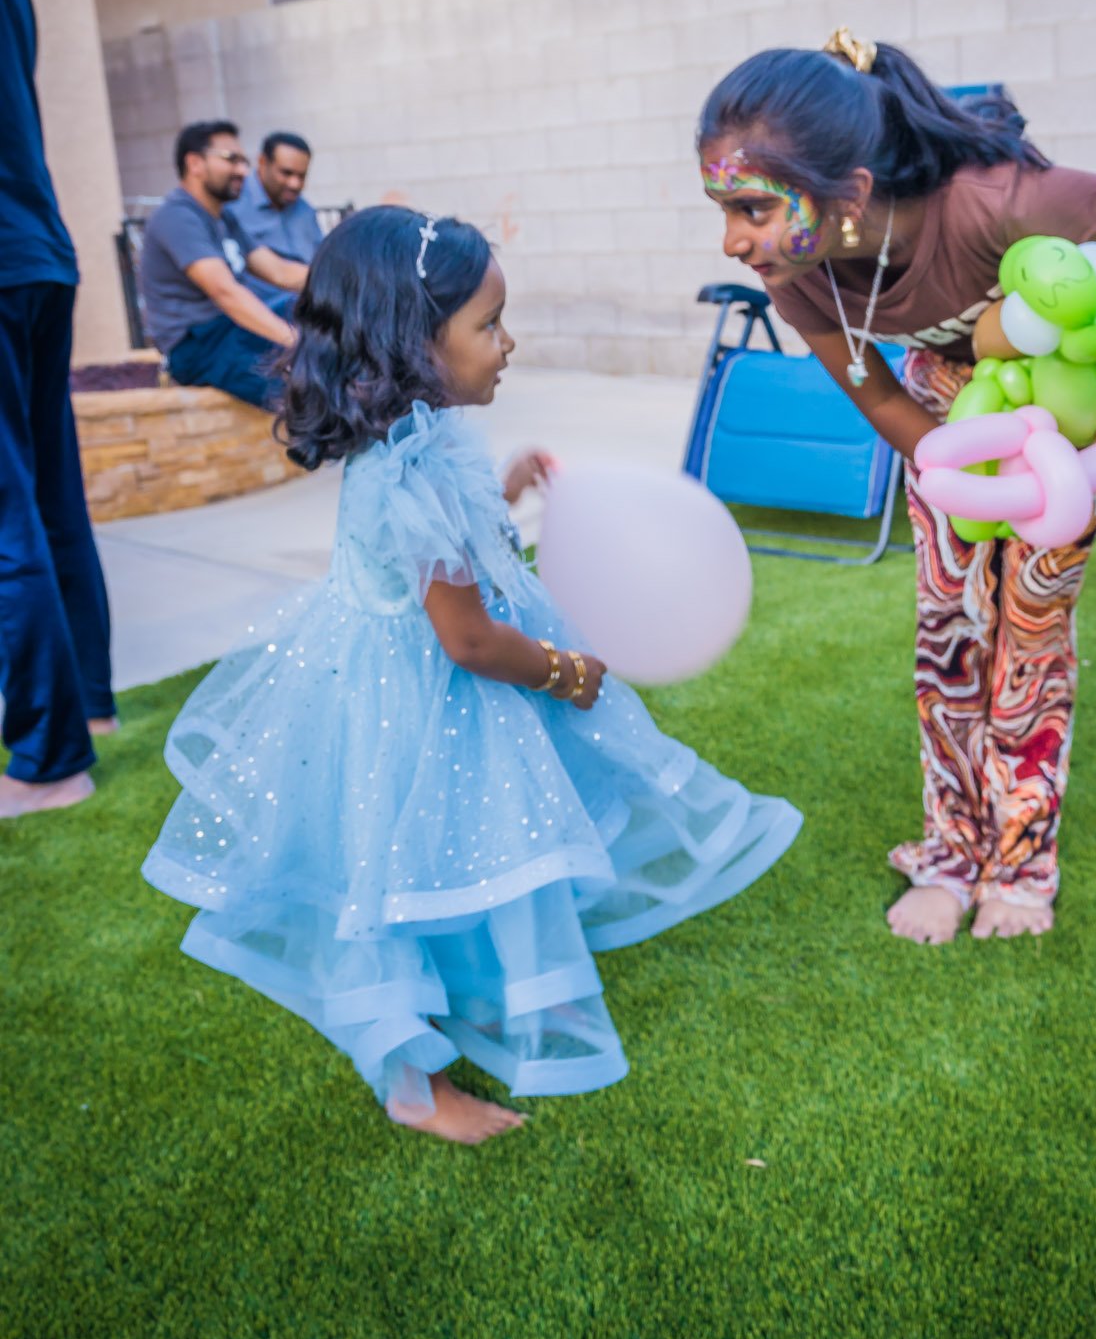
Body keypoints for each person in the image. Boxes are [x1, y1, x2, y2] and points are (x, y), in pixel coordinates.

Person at [140, 207, 800, 1145]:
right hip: (415, 698)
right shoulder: (404, 475)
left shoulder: (428, 430)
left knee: (461, 850)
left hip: (412, 674)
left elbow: (453, 526)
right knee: (397, 874)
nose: (508, 342)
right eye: (488, 325)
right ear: (414, 343)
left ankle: (467, 998)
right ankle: (414, 1087)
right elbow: (473, 643)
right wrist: (568, 672)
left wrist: (510, 481)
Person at [696, 30, 1096, 946]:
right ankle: (949, 852)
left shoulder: (1001, 205)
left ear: (852, 192)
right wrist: (954, 472)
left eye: (750, 206)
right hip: (946, 414)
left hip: (1062, 405)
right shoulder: (796, 272)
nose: (731, 238)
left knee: (1030, 636)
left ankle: (1018, 863)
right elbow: (874, 392)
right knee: (949, 636)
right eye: (720, 207)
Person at [0, 0, 116, 821]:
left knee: (9, 519)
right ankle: (95, 704)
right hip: (40, 252)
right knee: (50, 498)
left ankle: (49, 764)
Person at [139, 120, 301, 408]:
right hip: (197, 346)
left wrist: (345, 276)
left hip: (231, 330)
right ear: (195, 163)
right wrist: (292, 339)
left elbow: (278, 271)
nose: (243, 170)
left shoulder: (223, 217)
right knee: (299, 393)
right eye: (231, 159)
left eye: (243, 161)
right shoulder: (177, 217)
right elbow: (224, 292)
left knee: (305, 307)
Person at [231, 130, 323, 266]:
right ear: (262, 162)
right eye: (286, 173)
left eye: (302, 176)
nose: (295, 184)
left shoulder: (305, 210)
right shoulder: (233, 206)